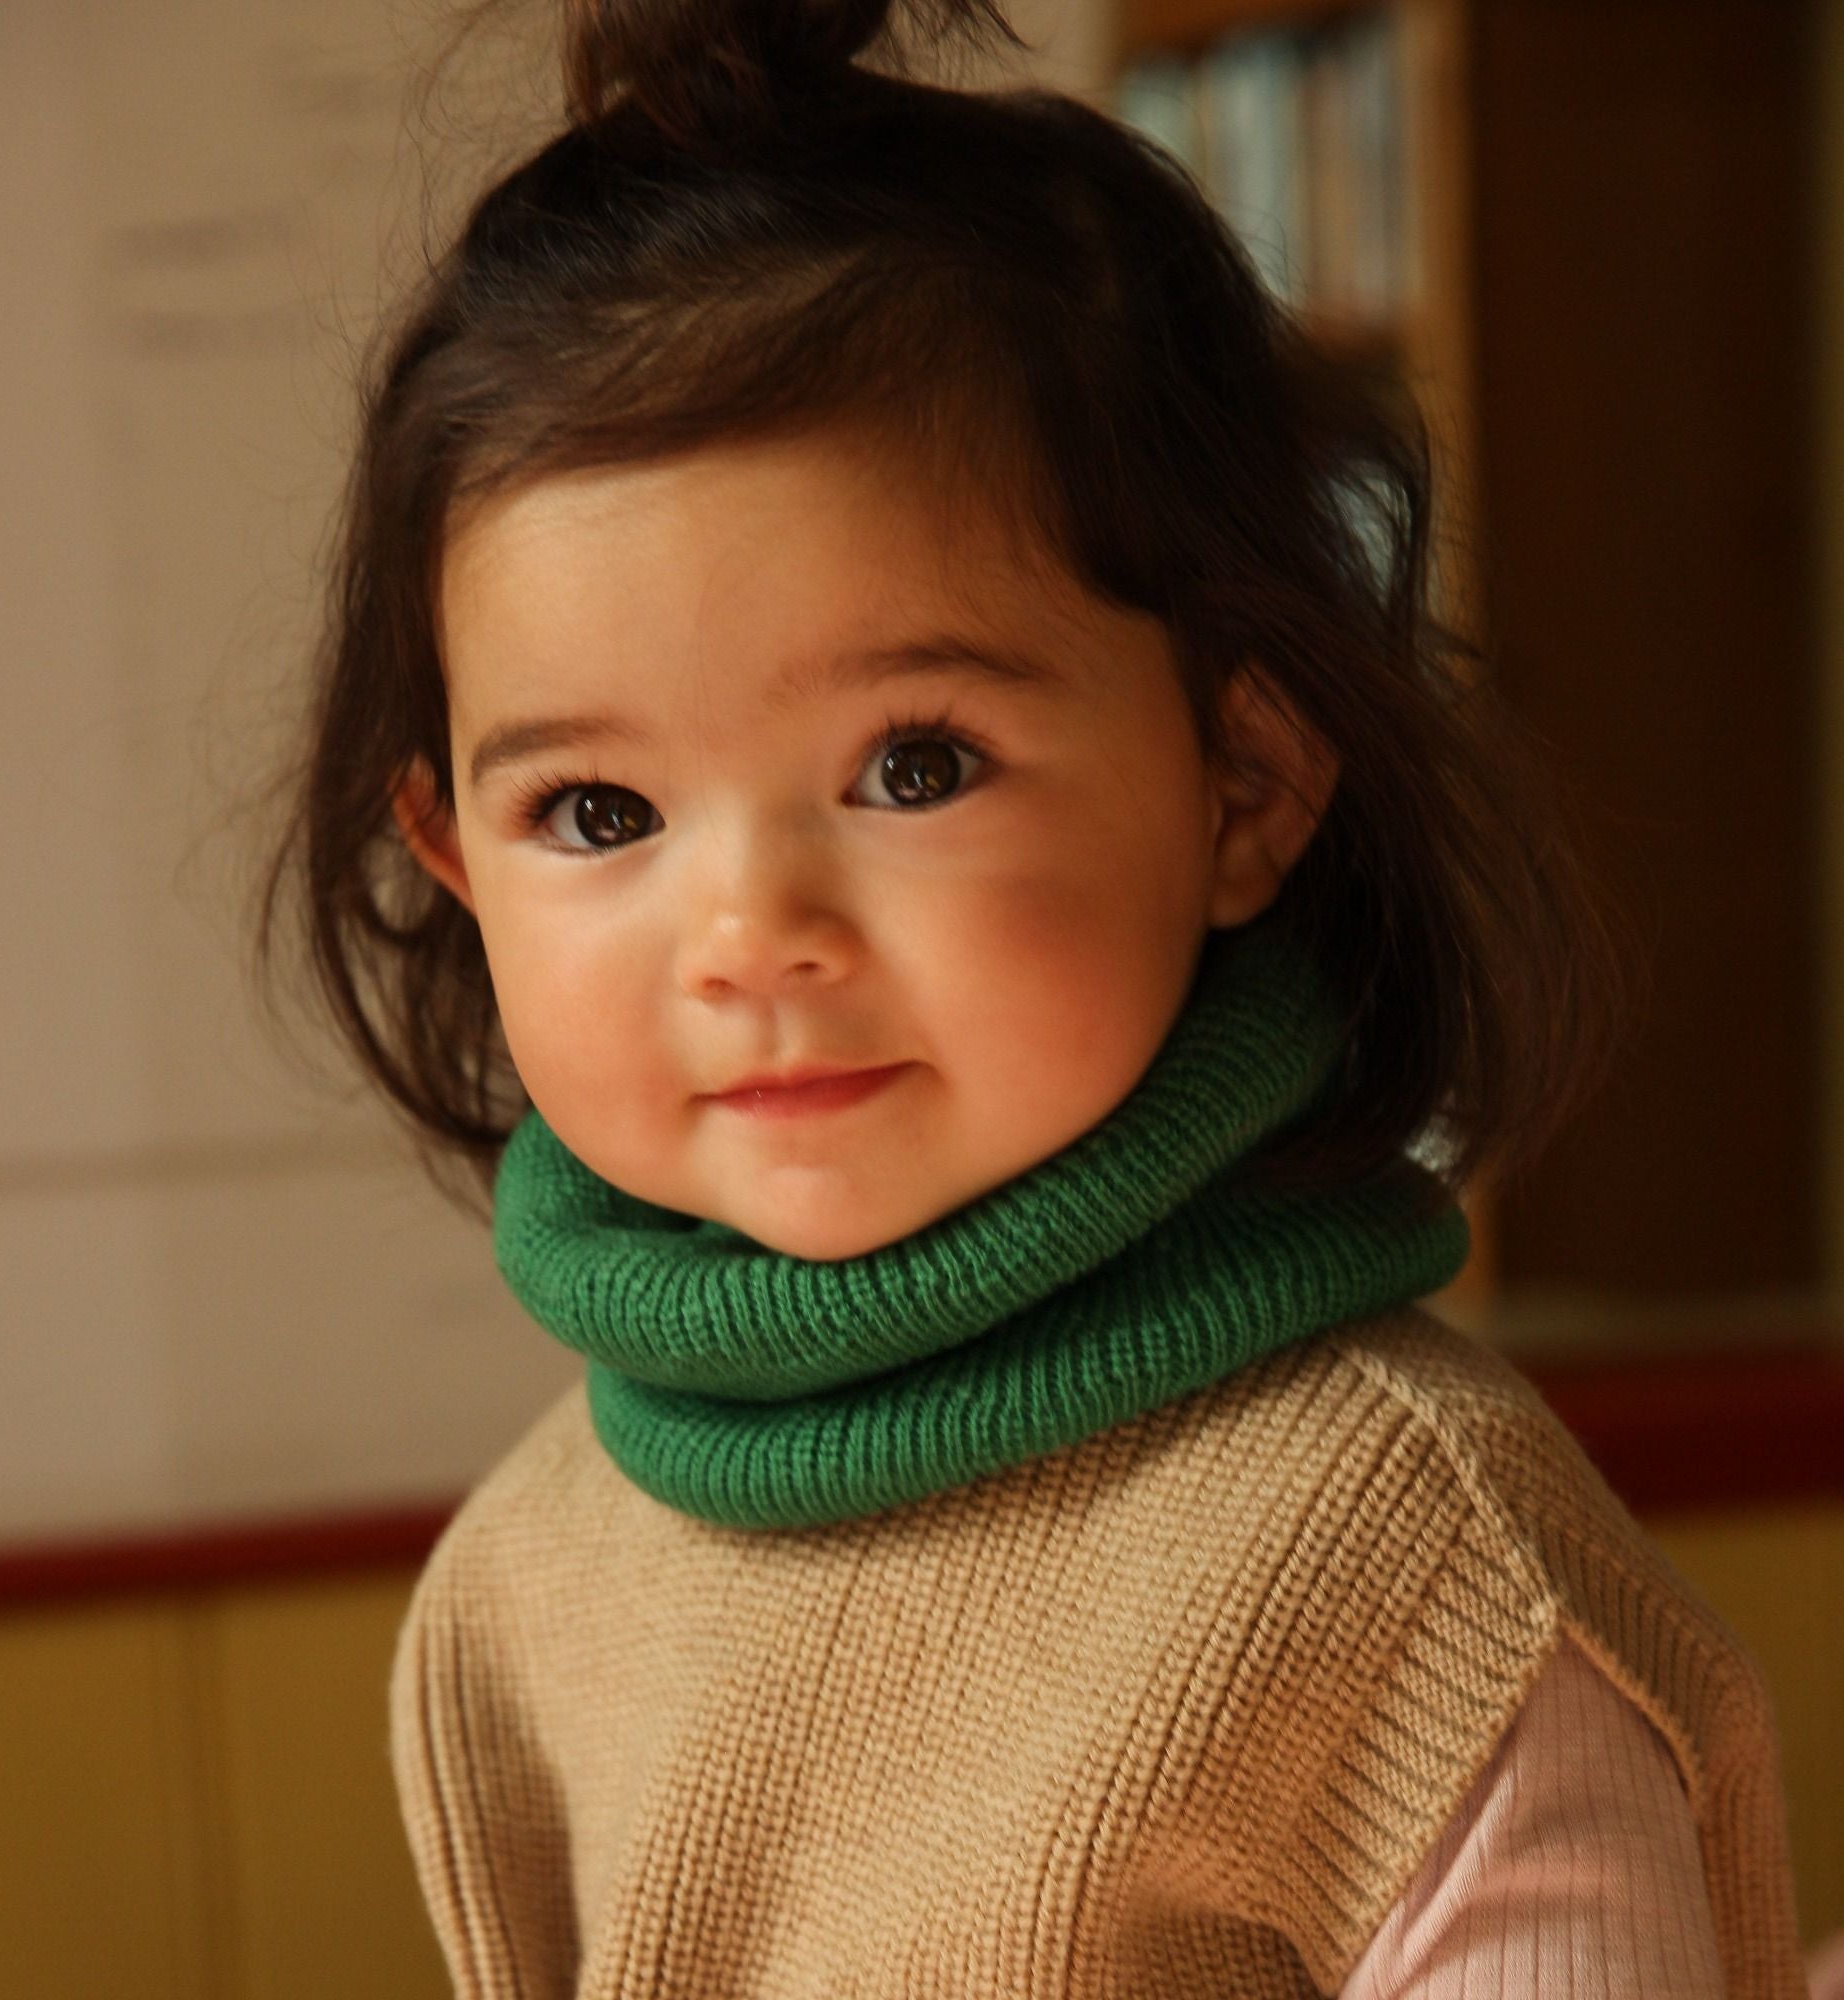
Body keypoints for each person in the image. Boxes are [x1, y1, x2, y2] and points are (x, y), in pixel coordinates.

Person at [254, 0, 1816, 1992]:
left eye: (915, 765)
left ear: (1244, 783)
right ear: (459, 863)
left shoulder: (1415, 1574)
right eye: (598, 811)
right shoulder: (523, 1581)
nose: (748, 932)